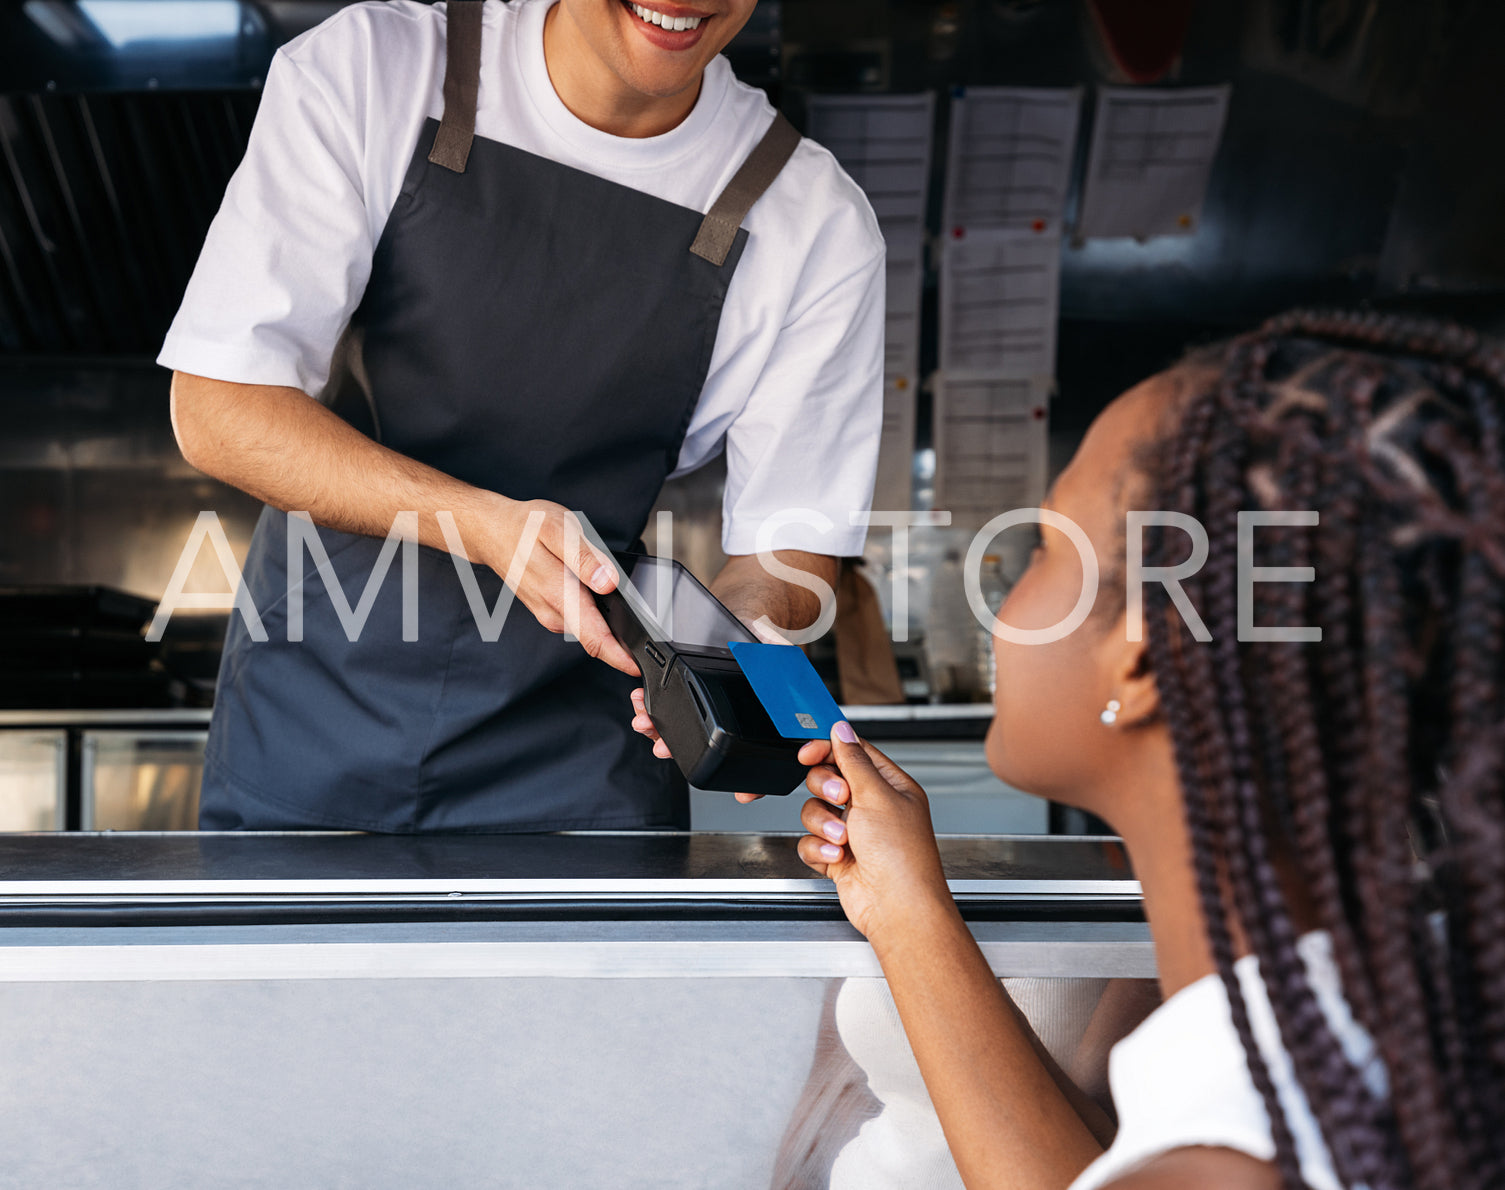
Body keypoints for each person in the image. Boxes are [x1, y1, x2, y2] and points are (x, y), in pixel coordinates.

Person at [766, 310, 1503, 1188]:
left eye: (1042, 550)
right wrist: (905, 906)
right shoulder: (1360, 1019)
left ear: (1145, 652)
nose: (1003, 608)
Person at [159, 0, 884, 831]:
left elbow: (784, 555)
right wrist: (484, 526)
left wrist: (733, 659)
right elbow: (219, 408)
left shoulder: (815, 222)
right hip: (306, 725)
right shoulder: (375, 67)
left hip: (581, 770)